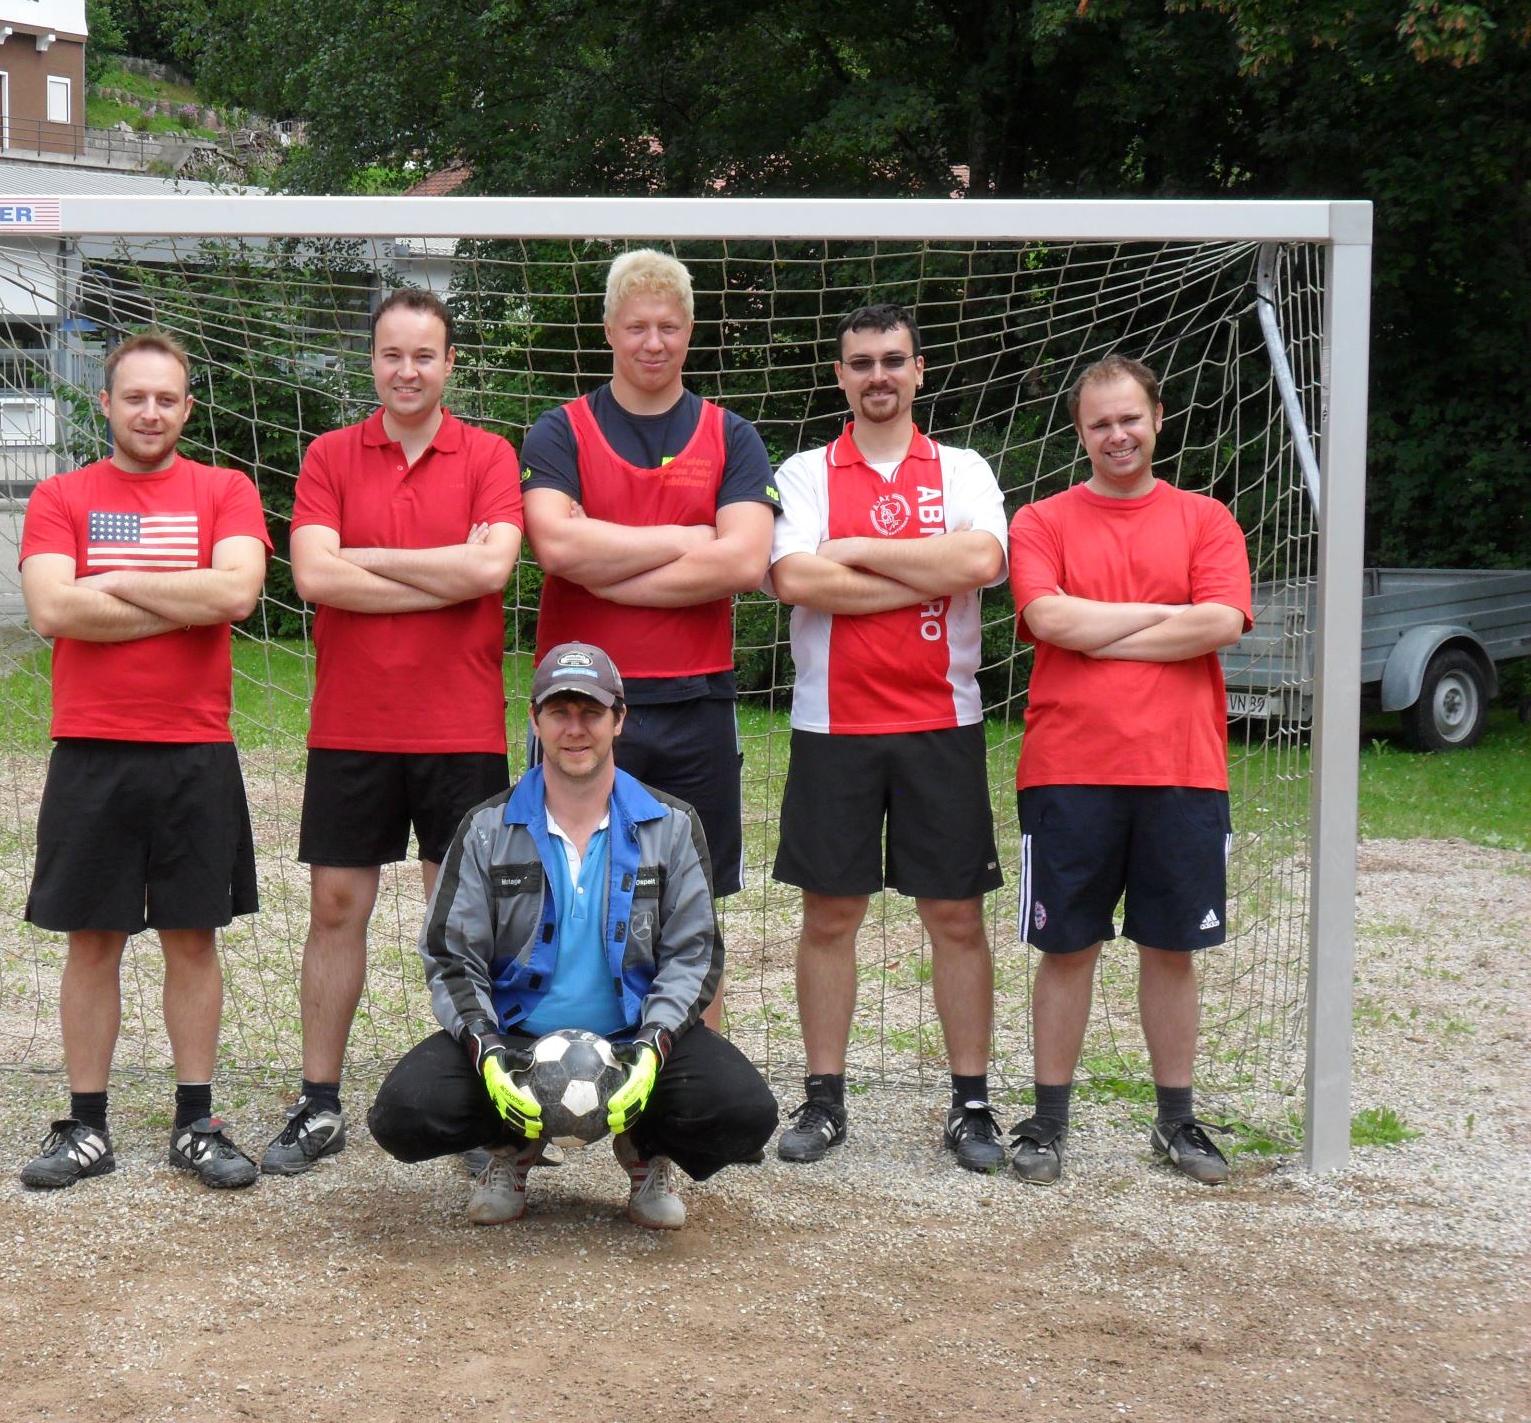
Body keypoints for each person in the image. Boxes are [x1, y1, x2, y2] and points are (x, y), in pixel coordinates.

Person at [367, 642, 779, 1228]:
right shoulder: (486, 827)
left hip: (634, 1036)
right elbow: (450, 953)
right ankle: (511, 1149)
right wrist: (485, 1045)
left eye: (591, 712)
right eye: (560, 712)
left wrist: (655, 1045)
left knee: (742, 1111)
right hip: (515, 1036)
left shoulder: (672, 823)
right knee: (405, 1113)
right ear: (534, 720)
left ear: (620, 718)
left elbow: (694, 953)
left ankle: (646, 1151)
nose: (575, 729)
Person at [262, 288, 525, 1175]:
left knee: (462, 923)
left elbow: (491, 567)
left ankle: (485, 1111)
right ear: (370, 362)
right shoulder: (332, 454)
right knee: (337, 909)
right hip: (353, 724)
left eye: (424, 355)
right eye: (390, 355)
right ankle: (319, 1101)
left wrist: (364, 559)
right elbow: (312, 578)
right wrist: (438, 576)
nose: (406, 371)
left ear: (451, 364)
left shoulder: (489, 455)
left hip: (460, 727)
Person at [16, 329, 273, 1190]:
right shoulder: (60, 494)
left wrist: (112, 582)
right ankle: (86, 1127)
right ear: (107, 403)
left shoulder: (225, 489)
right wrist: (183, 595)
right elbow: (53, 609)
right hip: (92, 748)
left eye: (167, 398)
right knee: (93, 941)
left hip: (195, 749)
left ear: (187, 407)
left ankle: (195, 1123)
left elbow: (237, 592)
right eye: (135, 397)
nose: (151, 411)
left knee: (191, 939)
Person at [767, 303, 1010, 1171]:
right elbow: (795, 577)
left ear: (920, 370)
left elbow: (980, 565)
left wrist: (857, 550)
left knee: (955, 915)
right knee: (830, 913)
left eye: (893, 361)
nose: (878, 376)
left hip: (942, 721)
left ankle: (971, 1103)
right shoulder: (802, 471)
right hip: (833, 725)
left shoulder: (963, 467)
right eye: (861, 362)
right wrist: (920, 569)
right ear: (840, 375)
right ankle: (824, 1100)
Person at [1006, 353, 1253, 1186]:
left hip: (1182, 768)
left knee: (1170, 950)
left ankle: (1177, 1123)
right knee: (1066, 947)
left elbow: (1220, 621)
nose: (1117, 434)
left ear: (1156, 417)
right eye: (1099, 422)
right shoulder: (1041, 521)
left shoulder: (1206, 519)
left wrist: (1097, 630)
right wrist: (1164, 619)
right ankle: (1045, 1124)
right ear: (1080, 432)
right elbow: (1044, 614)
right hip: (1068, 768)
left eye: (1130, 418)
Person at [521, 250, 778, 944]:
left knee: (692, 908)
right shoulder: (559, 430)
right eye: (637, 326)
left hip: (698, 703)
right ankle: (571, 1052)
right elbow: (557, 548)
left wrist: (604, 566)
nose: (653, 342)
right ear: (608, 329)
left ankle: (694, 1054)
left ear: (690, 330)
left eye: (668, 326)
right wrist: (690, 537)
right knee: (568, 898)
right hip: (579, 705)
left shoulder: (731, 436)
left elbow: (746, 560)